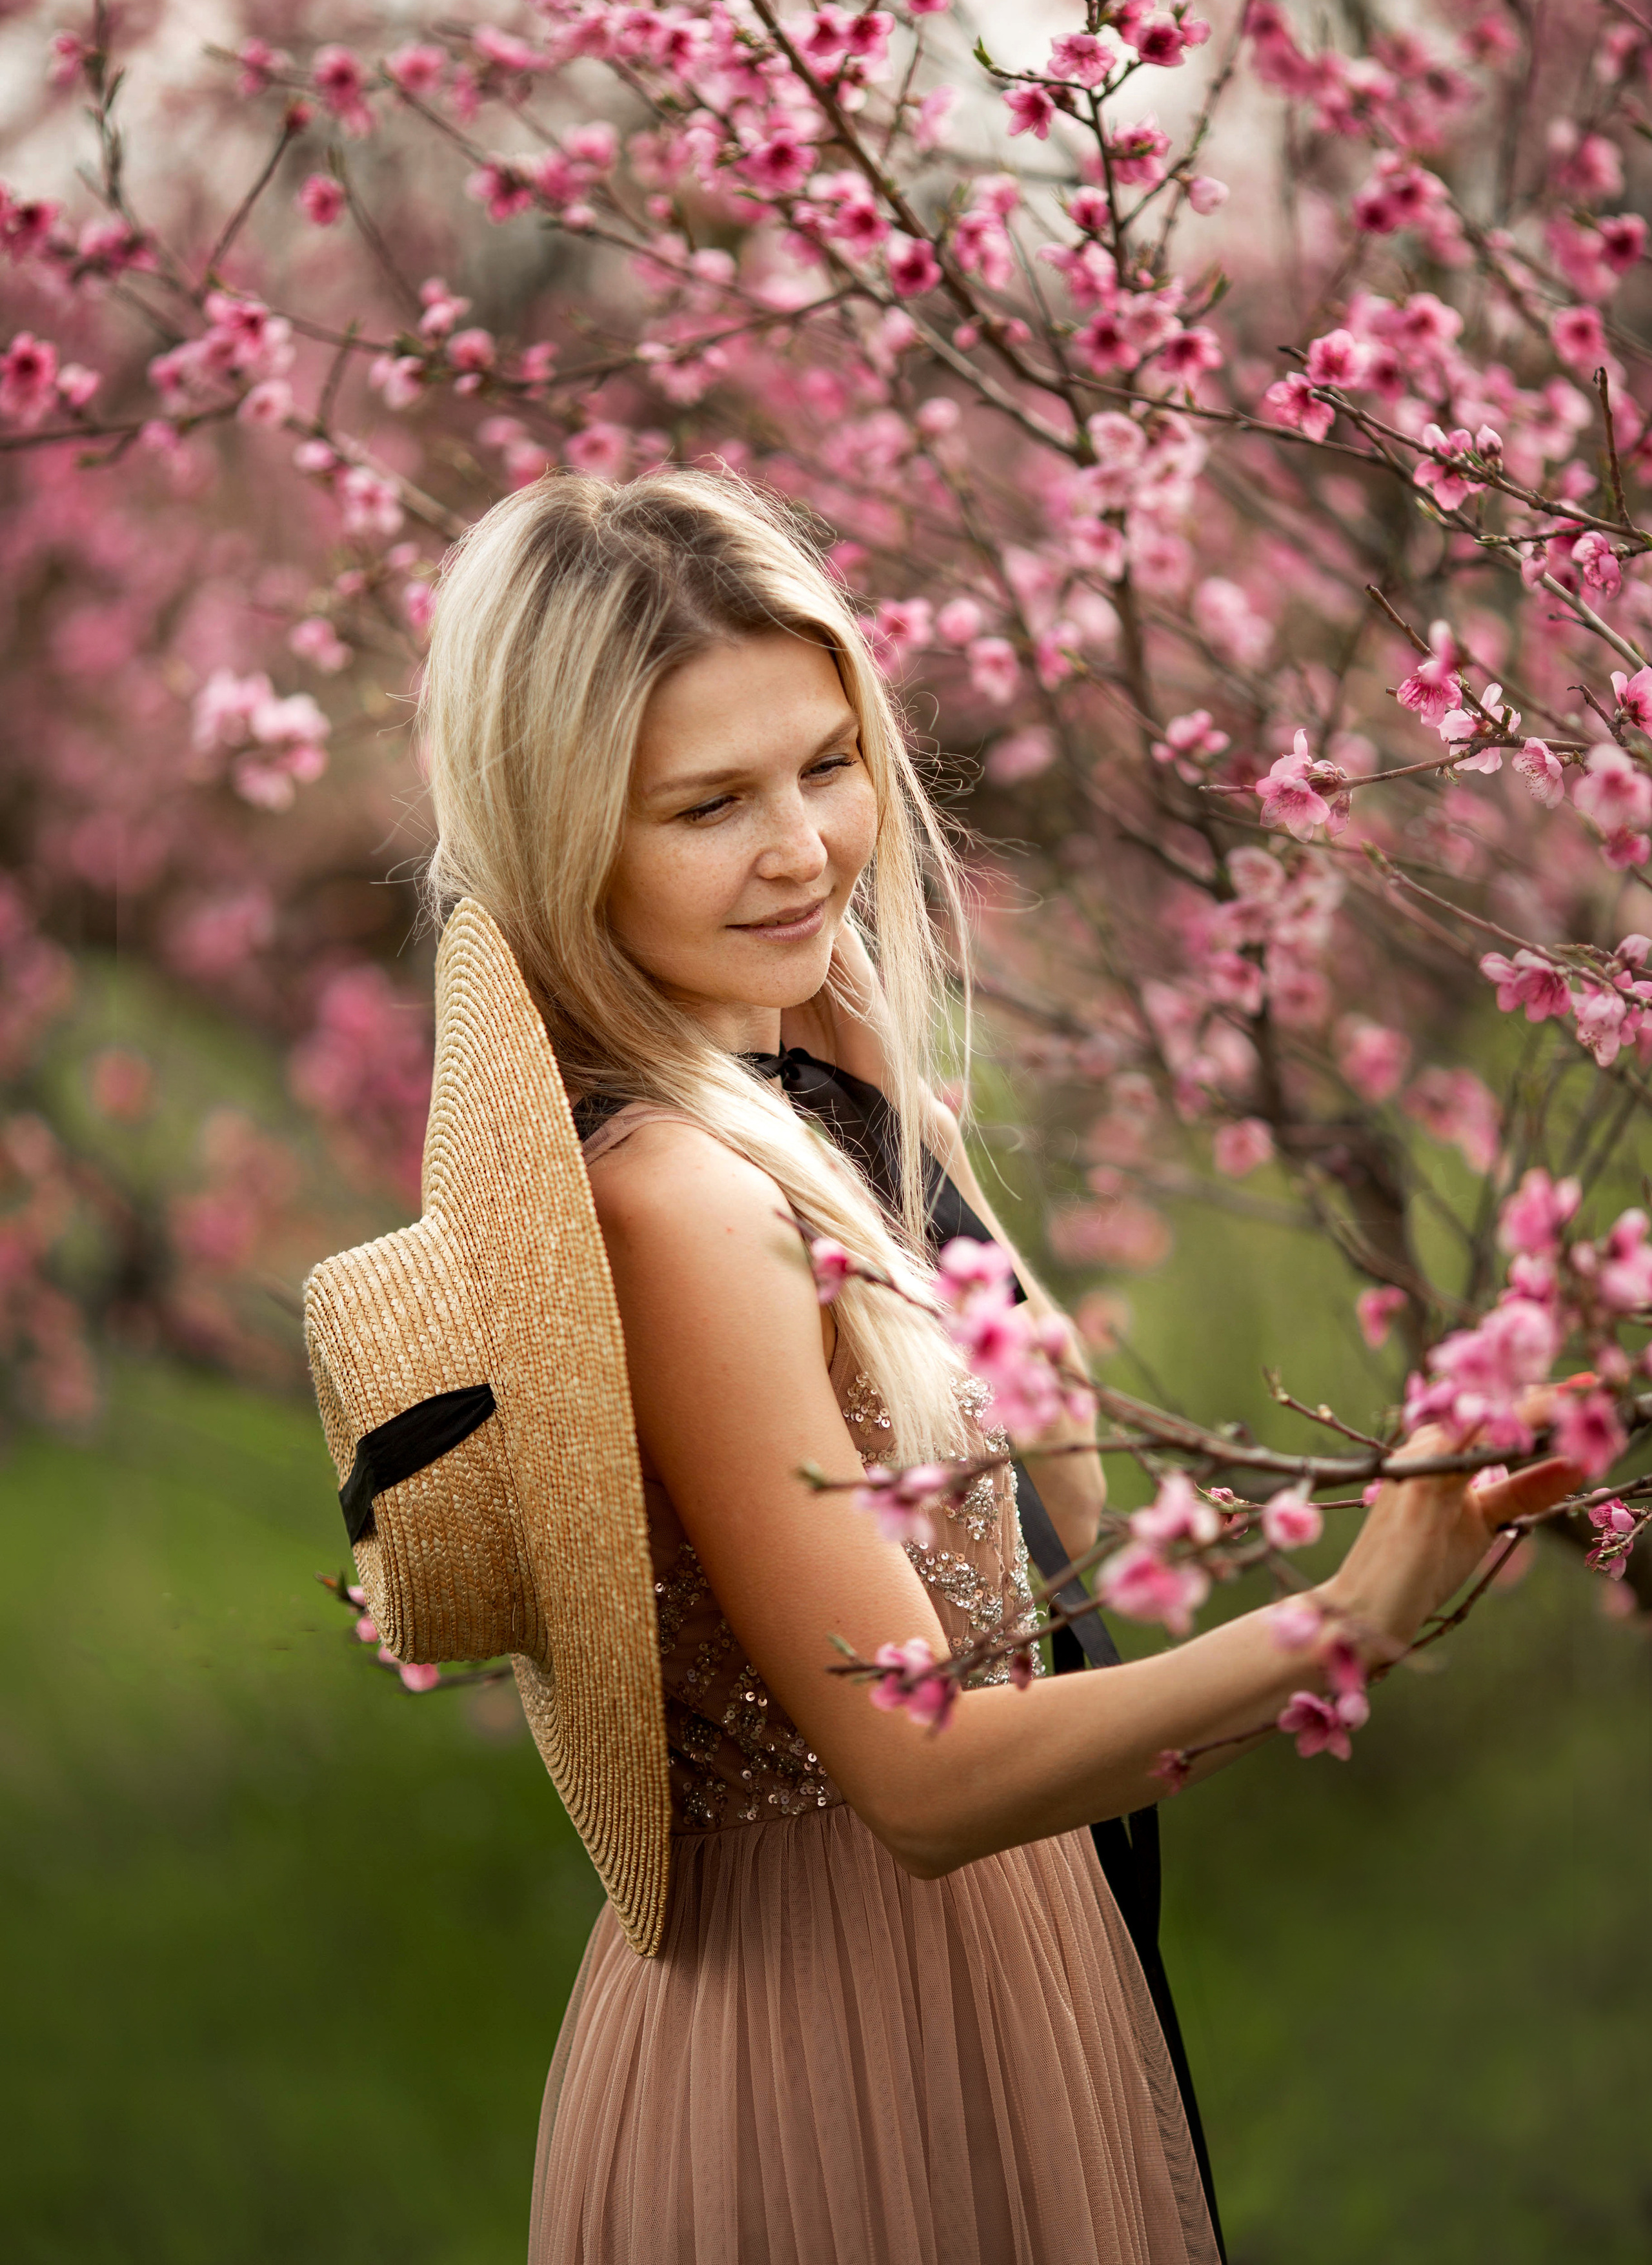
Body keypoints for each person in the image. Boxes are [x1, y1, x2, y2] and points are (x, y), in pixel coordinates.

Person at [409, 466, 1574, 2265]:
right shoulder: (675, 1200)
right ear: (569, 840)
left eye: (824, 762)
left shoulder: (769, 1126)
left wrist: (890, 1113)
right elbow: (926, 1774)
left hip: (986, 1970)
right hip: (842, 2023)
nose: (803, 849)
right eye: (708, 805)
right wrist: (1348, 1621)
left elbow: (1054, 1502)